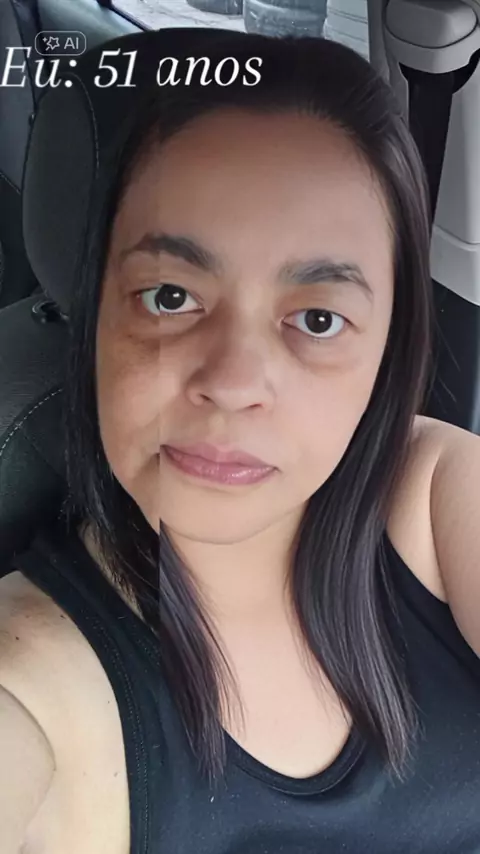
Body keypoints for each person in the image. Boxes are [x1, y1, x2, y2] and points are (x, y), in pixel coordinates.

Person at [1, 26, 480, 854]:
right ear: (100, 315)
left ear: (386, 352)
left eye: (318, 319)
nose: (231, 382)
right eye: (169, 296)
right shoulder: (36, 687)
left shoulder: (434, 493)